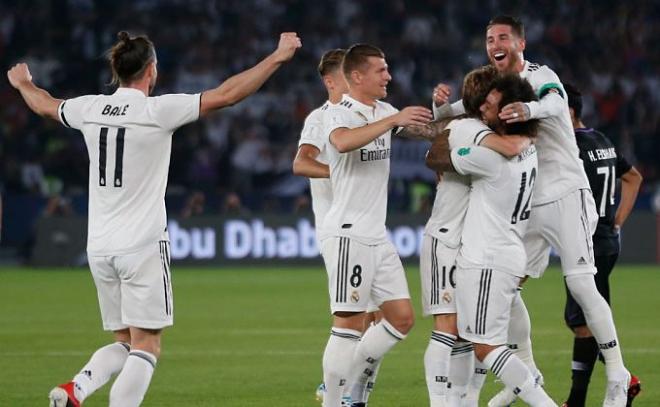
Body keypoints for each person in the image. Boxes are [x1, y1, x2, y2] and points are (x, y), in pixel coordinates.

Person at [7, 30, 301, 407]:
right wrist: (277, 57)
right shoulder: (155, 111)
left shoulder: (89, 108)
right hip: (142, 244)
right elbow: (228, 94)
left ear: (117, 70)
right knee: (147, 346)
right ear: (151, 70)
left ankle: (75, 390)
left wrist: (24, 83)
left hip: (99, 246)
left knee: (125, 342)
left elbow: (45, 105)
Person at [434, 15, 633, 407]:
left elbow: (555, 102)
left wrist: (528, 110)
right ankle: (525, 370)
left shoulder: (540, 75)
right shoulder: (493, 87)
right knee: (505, 290)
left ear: (520, 43)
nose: (496, 43)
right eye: (490, 38)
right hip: (529, 204)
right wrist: (436, 106)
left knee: (580, 282)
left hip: (565, 191)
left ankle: (617, 373)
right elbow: (460, 109)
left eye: (503, 37)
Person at [428, 73, 557, 407]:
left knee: (486, 348)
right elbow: (517, 140)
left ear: (508, 113)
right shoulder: (527, 151)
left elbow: (438, 158)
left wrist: (450, 132)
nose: (483, 107)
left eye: (490, 104)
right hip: (507, 253)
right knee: (478, 341)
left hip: (487, 258)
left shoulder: (490, 159)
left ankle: (540, 397)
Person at [318, 43, 433, 407]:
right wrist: (391, 121)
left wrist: (452, 116)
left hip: (376, 235)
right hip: (349, 232)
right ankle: (335, 400)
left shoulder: (383, 110)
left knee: (401, 318)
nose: (389, 76)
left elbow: (424, 131)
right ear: (357, 76)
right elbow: (342, 142)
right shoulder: (339, 112)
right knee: (348, 324)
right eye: (381, 70)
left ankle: (349, 383)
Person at [562, 83, 643, 407]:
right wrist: (618, 221)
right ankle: (609, 385)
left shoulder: (571, 148)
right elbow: (634, 177)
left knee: (584, 324)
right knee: (587, 321)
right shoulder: (601, 140)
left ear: (567, 112)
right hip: (607, 240)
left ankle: (612, 385)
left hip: (589, 243)